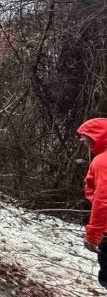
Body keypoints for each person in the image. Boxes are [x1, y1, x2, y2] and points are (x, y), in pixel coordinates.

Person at [79, 117, 107, 289]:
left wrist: (93, 235)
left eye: (86, 136)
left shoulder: (103, 162)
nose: (82, 140)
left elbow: (103, 201)